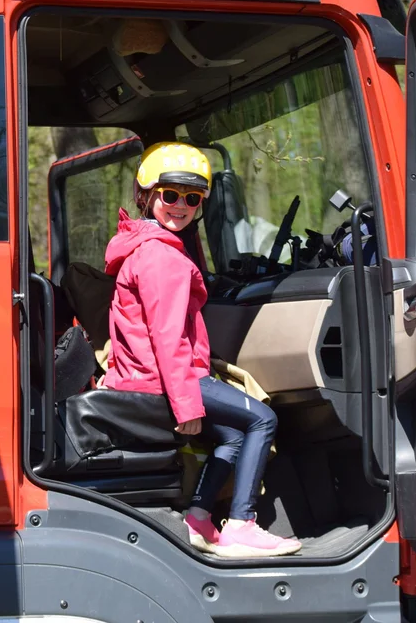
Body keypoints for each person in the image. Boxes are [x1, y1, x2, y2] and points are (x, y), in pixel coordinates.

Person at [102, 142, 300, 558]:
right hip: (163, 379)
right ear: (146, 196)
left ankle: (199, 518)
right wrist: (188, 404)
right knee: (262, 419)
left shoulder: (141, 246)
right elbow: (167, 338)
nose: (181, 205)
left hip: (143, 376)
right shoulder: (163, 258)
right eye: (170, 194)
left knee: (231, 435)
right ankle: (243, 524)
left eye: (192, 198)